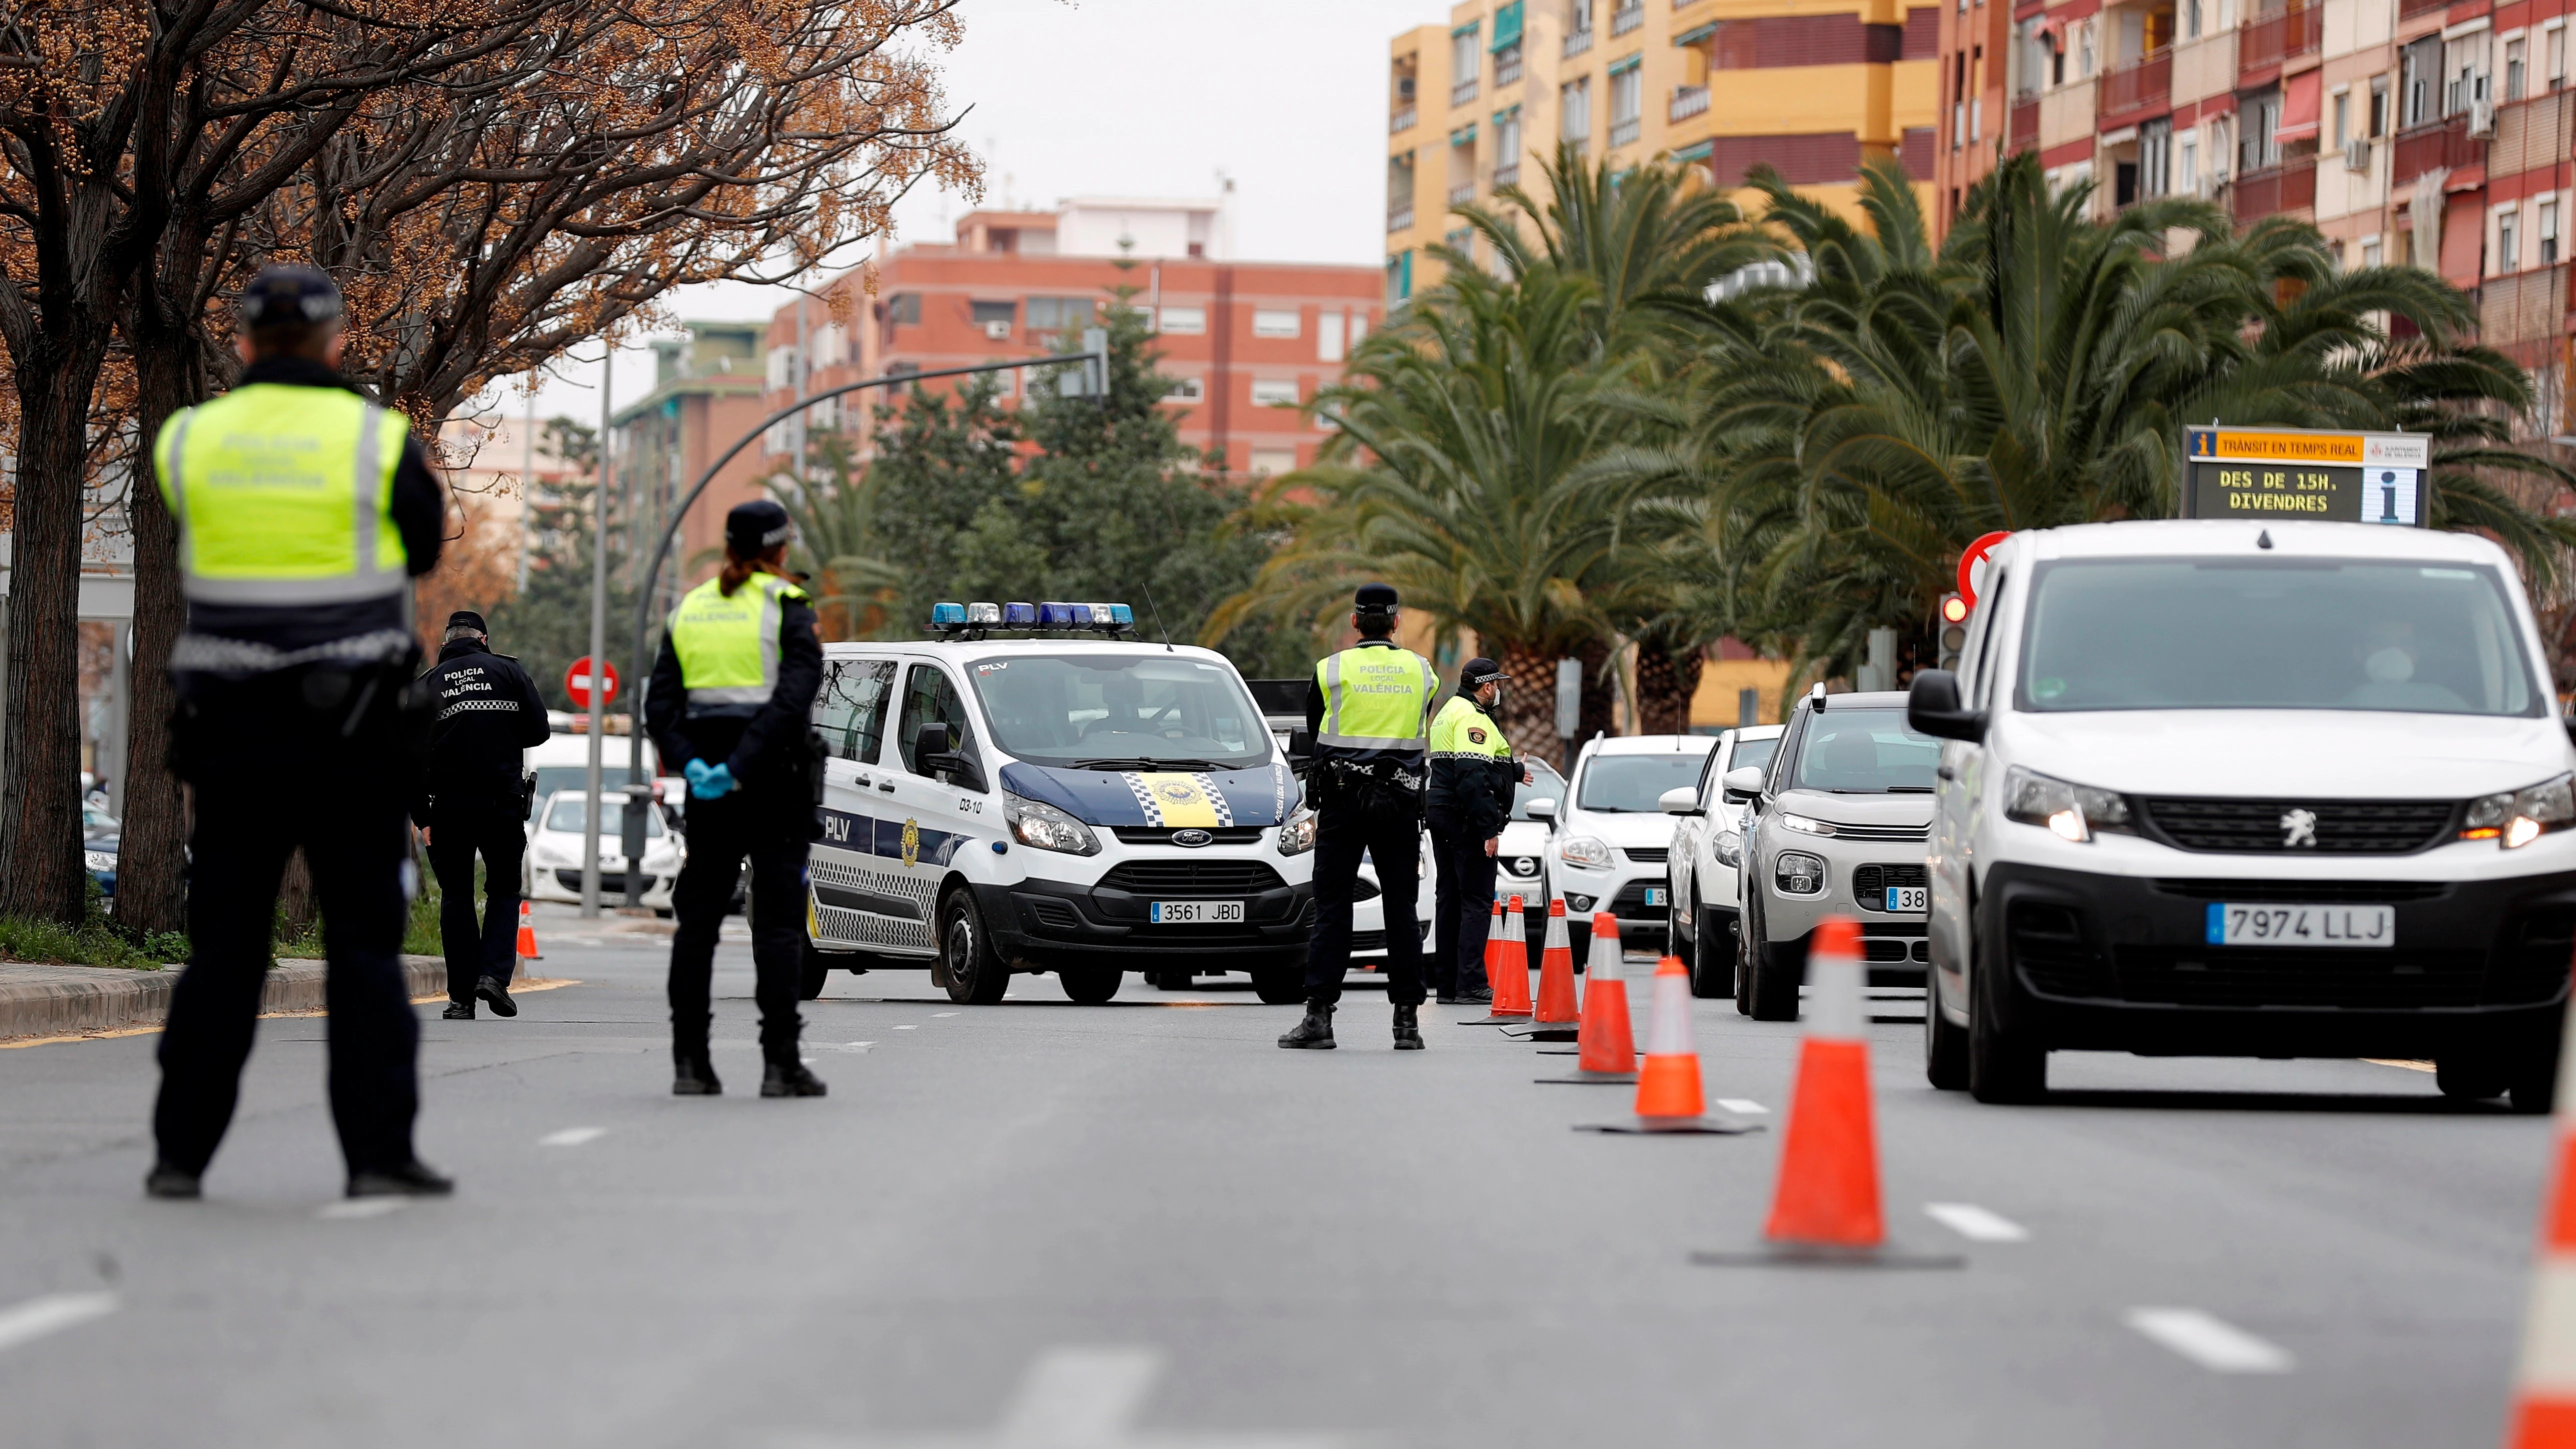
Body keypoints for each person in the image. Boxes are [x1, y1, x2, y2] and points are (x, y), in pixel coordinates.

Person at [144, 264, 451, 1201]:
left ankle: (180, 1156)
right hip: (351, 733)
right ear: (337, 341)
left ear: (239, 344)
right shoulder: (379, 440)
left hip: (232, 732)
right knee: (362, 945)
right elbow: (426, 546)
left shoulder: (188, 440)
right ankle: (375, 1155)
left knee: (226, 947)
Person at [644, 498, 826, 1098]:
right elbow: (795, 698)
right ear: (779, 549)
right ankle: (780, 1066)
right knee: (776, 927)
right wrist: (744, 764)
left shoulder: (688, 610)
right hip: (774, 784)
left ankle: (689, 1065)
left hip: (709, 793)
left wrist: (698, 766)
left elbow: (661, 708)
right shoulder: (787, 606)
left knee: (696, 924)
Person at [1279, 583, 1440, 1052]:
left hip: (1344, 802)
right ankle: (1407, 1024)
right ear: (1396, 623)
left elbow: (1315, 729)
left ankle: (1319, 1019)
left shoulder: (1331, 670)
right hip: (1401, 802)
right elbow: (1419, 721)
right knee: (1401, 910)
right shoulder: (1421, 671)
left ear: (1354, 622)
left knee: (1332, 907)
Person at [414, 610, 550, 1020]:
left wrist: (423, 819)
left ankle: (461, 1000)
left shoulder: (428, 684)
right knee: (504, 890)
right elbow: (539, 730)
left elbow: (408, 758)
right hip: (502, 803)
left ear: (446, 642)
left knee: (456, 898)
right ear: (483, 640)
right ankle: (492, 977)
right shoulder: (509, 672)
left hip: (450, 807)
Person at [1425, 658, 1529, 1006]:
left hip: (1442, 814)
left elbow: (1465, 763)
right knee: (1477, 901)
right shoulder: (1473, 717)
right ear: (1486, 687)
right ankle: (1471, 983)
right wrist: (1488, 829)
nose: (1498, 691)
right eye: (1496, 685)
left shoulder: (1448, 711)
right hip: (1466, 819)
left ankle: (1449, 985)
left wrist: (1511, 771)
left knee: (1450, 899)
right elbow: (1471, 775)